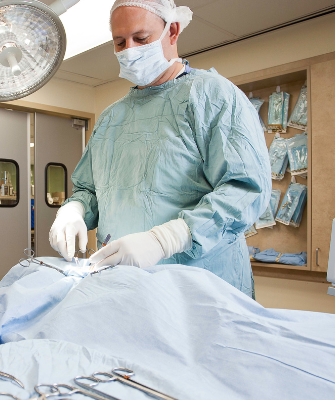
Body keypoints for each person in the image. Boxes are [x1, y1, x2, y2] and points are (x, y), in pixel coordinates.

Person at [49, 0, 270, 297]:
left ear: (173, 31)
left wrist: (167, 239)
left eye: (141, 39)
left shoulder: (213, 97)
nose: (129, 50)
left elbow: (245, 190)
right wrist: (73, 211)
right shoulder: (111, 118)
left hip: (201, 292)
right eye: (119, 42)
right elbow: (90, 190)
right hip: (125, 288)